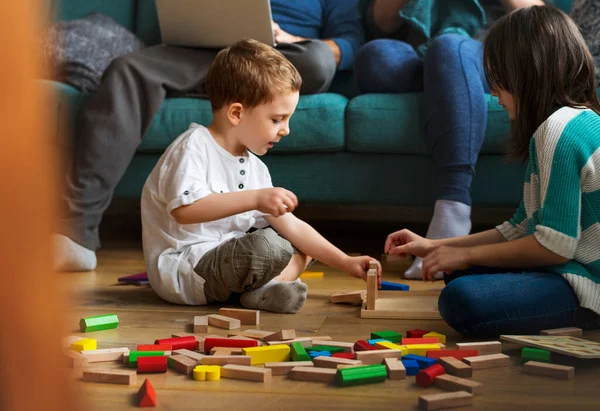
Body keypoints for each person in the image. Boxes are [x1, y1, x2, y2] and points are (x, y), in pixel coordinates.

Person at [54, 0, 364, 272]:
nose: (285, 128)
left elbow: (351, 43)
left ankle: (228, 84)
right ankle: (75, 232)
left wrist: (292, 38)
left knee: (319, 58)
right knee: (126, 69)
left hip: (283, 59)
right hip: (202, 54)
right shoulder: (194, 146)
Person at [384, 5, 600, 336]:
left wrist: (465, 256)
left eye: (498, 77)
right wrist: (436, 246)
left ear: (527, 72)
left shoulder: (559, 131)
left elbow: (555, 246)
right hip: (572, 263)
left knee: (461, 298)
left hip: (590, 282)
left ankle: (584, 315)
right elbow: (520, 227)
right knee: (452, 267)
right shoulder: (566, 121)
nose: (493, 89)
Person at [141, 39, 381, 313]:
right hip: (186, 269)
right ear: (236, 113)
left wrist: (345, 261)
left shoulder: (255, 167)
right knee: (270, 246)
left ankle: (262, 291)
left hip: (230, 263)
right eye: (277, 119)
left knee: (302, 243)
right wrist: (255, 198)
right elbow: (185, 211)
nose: (286, 130)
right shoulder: (193, 146)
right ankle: (262, 287)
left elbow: (292, 226)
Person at [355, 0, 543, 280]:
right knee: (375, 55)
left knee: (449, 47)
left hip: (482, 51)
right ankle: (447, 77)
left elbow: (535, 17)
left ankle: (453, 207)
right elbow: (381, 23)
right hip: (419, 55)